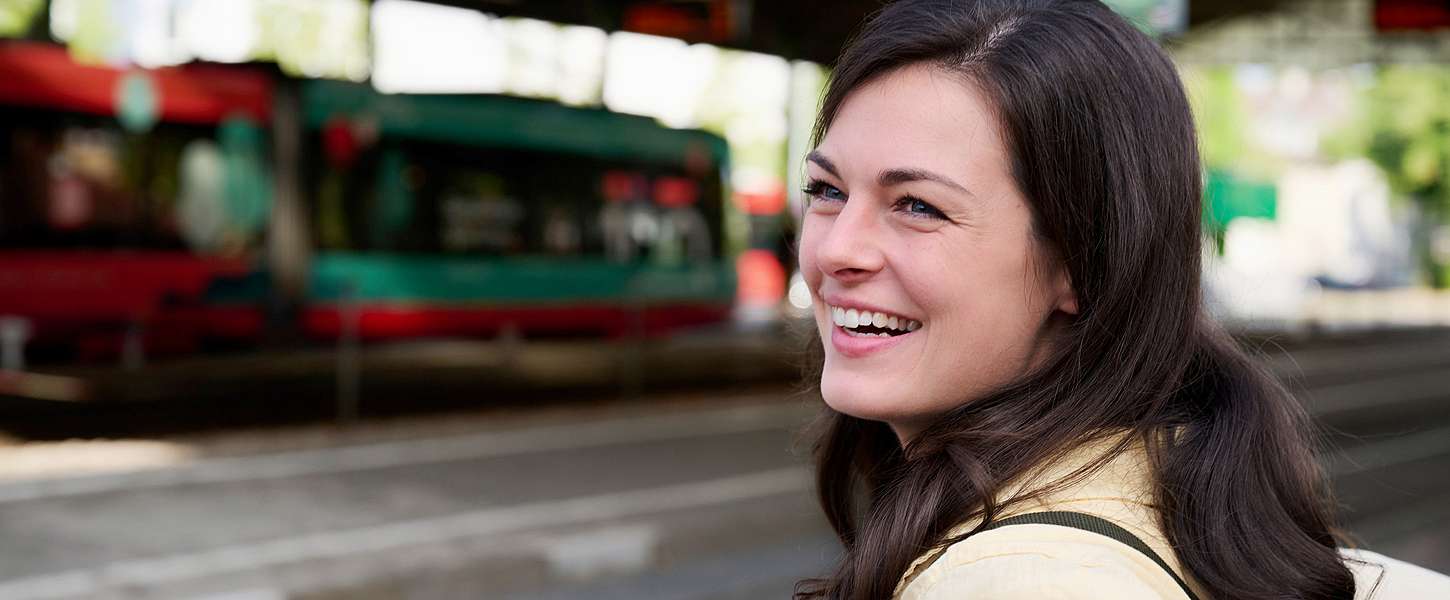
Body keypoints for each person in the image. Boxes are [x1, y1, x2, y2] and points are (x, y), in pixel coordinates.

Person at [791, 1, 1449, 599]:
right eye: (827, 191)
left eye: (917, 206)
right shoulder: (1196, 508)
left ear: (1082, 259)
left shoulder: (1017, 581)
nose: (835, 250)